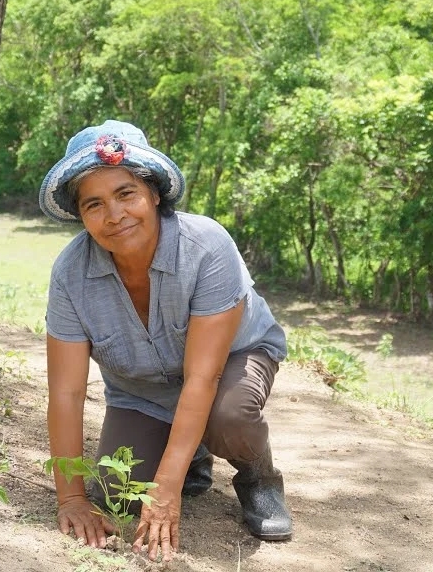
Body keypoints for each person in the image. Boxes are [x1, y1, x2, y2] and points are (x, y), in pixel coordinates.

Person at [38, 119, 293, 562]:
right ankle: (190, 454)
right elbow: (66, 392)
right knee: (120, 490)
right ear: (80, 215)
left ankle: (258, 476)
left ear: (154, 193)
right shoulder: (69, 274)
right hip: (144, 390)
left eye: (126, 194)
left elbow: (202, 376)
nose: (114, 215)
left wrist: (167, 490)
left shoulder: (207, 246)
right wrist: (71, 499)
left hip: (230, 362)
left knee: (229, 417)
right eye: (94, 204)